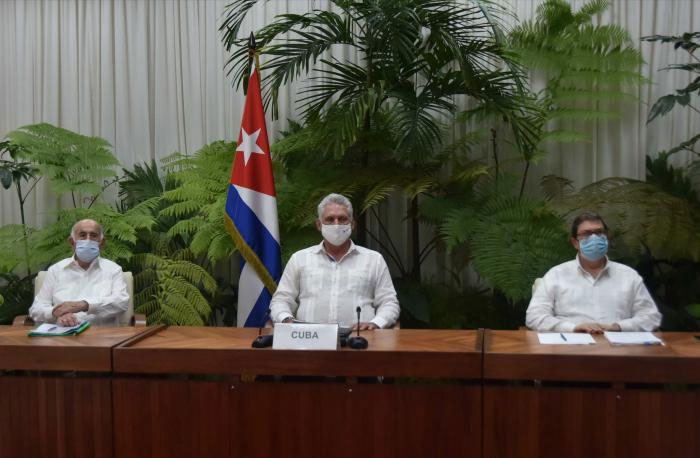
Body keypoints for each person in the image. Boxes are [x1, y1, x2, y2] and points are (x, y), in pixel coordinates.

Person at [270, 193, 400, 329]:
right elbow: (281, 300)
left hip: (361, 340)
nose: (336, 224)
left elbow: (389, 302)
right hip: (309, 341)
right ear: (319, 225)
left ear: (352, 224)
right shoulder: (300, 259)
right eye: (330, 219)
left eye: (342, 219)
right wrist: (286, 320)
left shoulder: (374, 260)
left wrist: (375, 323)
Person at [526, 211, 661, 333]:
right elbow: (534, 317)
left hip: (618, 348)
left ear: (606, 238)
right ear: (575, 243)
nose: (594, 238)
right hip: (570, 348)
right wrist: (572, 328)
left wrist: (618, 327)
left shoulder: (628, 275)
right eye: (586, 234)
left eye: (599, 232)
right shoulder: (556, 274)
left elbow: (651, 317)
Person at [29, 219, 130, 327]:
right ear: (72, 242)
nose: (88, 240)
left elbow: (121, 303)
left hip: (101, 338)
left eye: (93, 235)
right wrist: (55, 313)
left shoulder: (113, 269)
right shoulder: (56, 270)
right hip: (62, 337)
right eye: (82, 235)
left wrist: (85, 305)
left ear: (102, 243)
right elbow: (36, 309)